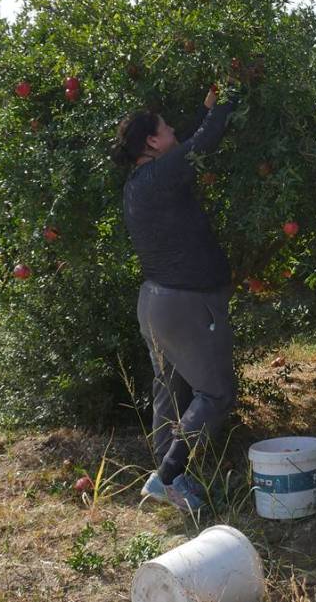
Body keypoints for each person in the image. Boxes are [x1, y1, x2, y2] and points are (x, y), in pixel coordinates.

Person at [111, 83, 236, 513]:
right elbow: (203, 142)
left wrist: (208, 107)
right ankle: (165, 477)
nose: (174, 133)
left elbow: (186, 141)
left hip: (155, 301)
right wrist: (232, 98)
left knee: (169, 392)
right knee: (215, 393)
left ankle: (175, 486)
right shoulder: (159, 175)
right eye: (167, 129)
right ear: (151, 141)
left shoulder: (139, 181)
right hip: (186, 302)